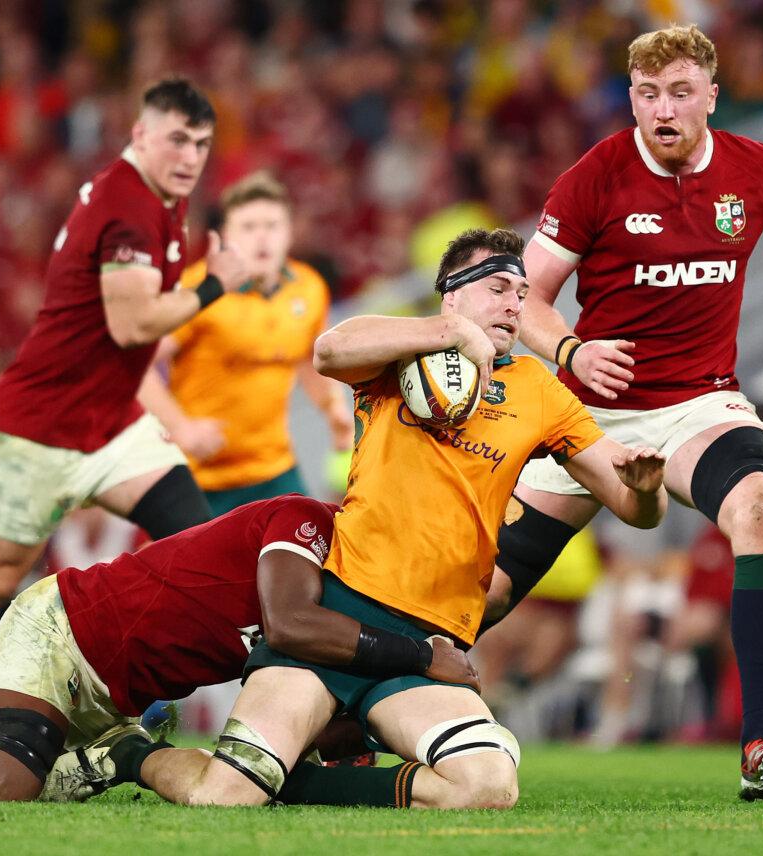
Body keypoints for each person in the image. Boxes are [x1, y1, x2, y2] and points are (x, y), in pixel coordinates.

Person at [103, 227, 667, 811]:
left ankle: (301, 784)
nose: (514, 305)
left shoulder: (538, 391)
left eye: (523, 294)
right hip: (337, 619)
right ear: (452, 296)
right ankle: (127, 753)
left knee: (487, 788)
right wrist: (444, 335)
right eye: (498, 287)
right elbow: (327, 350)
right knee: (224, 796)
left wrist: (646, 489)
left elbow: (634, 507)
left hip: (430, 641)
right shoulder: (400, 350)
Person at [491, 24, 763, 801]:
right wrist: (573, 351)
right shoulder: (596, 176)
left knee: (759, 505)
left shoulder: (757, 171)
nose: (662, 109)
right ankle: (345, 720)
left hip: (700, 405)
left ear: (712, 95)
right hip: (591, 418)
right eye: (647, 94)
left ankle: (760, 743)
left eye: (680, 92)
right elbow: (527, 297)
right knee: (485, 591)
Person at [0, 78, 249, 743]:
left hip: (110, 420)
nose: (191, 156)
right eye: (178, 138)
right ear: (141, 135)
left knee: (198, 545)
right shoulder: (128, 206)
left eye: (203, 144)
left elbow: (126, 331)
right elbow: (130, 324)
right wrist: (216, 284)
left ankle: (163, 702)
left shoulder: (157, 199)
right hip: (40, 429)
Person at [0, 495, 481, 803]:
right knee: (0, 787)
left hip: (120, 693)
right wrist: (420, 658)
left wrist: (346, 729)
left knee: (51, 786)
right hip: (63, 627)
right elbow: (286, 624)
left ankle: (119, 753)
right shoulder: (306, 522)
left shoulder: (344, 612)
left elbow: (291, 693)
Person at [139, 171, 353, 516]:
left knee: (317, 559)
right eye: (249, 227)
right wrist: (181, 427)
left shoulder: (310, 288)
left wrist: (333, 410)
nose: (262, 238)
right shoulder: (199, 291)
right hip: (202, 478)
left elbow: (309, 358)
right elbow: (135, 363)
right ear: (227, 235)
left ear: (289, 232)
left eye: (272, 226)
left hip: (275, 471)